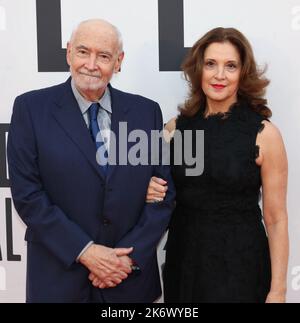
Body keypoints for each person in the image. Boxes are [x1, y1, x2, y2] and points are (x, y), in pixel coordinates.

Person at [7, 19, 175, 303]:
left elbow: (163, 196)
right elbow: (28, 196)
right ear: (69, 53)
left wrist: (125, 260)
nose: (91, 64)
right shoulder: (31, 109)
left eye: (104, 56)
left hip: (128, 282)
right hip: (58, 279)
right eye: (83, 52)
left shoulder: (145, 112)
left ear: (118, 62)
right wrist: (85, 251)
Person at [146, 27, 289, 303]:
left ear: (243, 73)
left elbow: (276, 218)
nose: (219, 75)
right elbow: (143, 182)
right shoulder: (177, 129)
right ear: (198, 69)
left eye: (230, 66)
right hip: (184, 263)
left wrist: (278, 290)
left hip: (241, 268)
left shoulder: (263, 134)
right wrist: (147, 187)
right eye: (211, 64)